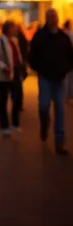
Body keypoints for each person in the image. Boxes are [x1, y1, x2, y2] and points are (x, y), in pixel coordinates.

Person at [29, 9, 73, 155]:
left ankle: (59, 142)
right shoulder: (40, 36)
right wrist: (38, 68)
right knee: (44, 105)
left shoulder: (63, 37)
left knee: (60, 108)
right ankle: (44, 125)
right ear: (47, 19)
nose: (52, 19)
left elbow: (70, 55)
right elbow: (33, 54)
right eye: (50, 17)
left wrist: (66, 68)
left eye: (54, 16)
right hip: (45, 77)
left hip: (60, 78)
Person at [0, 20, 23, 136]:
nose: (15, 30)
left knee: (18, 97)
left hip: (14, 74)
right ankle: (4, 125)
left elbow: (17, 56)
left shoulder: (14, 41)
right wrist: (3, 67)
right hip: (2, 76)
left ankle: (15, 122)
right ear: (8, 29)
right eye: (13, 28)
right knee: (3, 100)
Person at [63, 20, 73, 102]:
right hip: (68, 59)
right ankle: (68, 95)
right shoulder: (69, 34)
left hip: (66, 59)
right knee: (69, 78)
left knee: (67, 78)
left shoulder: (64, 33)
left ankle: (67, 95)